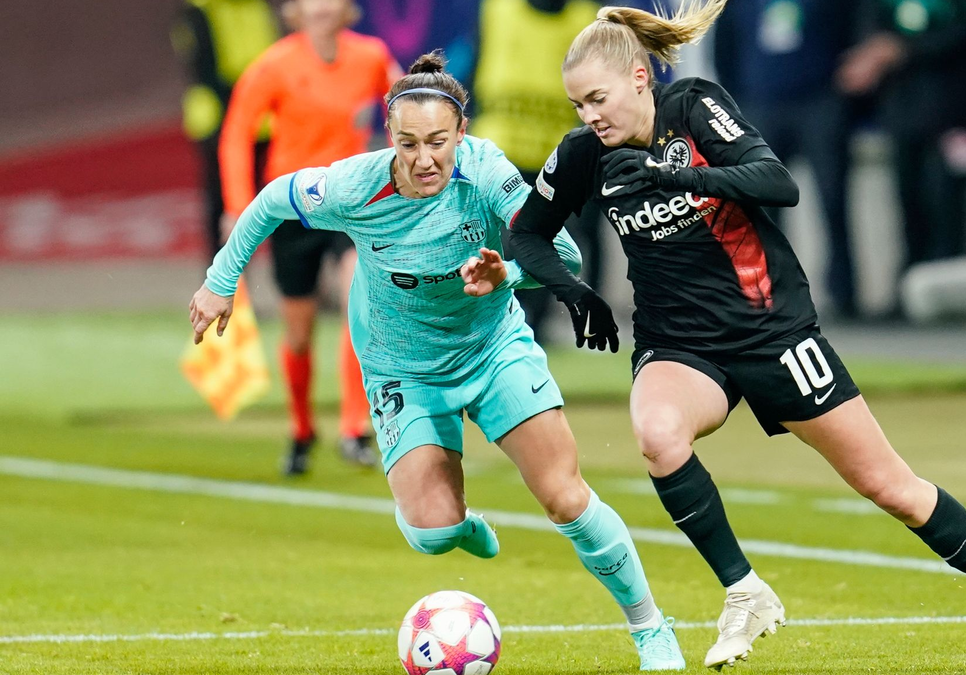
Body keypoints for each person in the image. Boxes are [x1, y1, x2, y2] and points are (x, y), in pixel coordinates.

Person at [505, 1, 966, 672]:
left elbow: (778, 182)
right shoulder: (586, 155)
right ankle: (744, 590)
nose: (588, 116)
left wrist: (682, 176)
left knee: (892, 486)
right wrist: (575, 292)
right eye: (578, 105)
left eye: (597, 99)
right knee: (657, 435)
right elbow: (526, 231)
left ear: (640, 77)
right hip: (681, 343)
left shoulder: (693, 107)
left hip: (771, 329)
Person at [189, 51, 686, 671]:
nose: (424, 159)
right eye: (408, 143)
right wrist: (220, 282)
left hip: (491, 350)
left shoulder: (486, 174)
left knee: (564, 496)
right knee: (432, 533)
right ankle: (460, 525)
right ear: (390, 137)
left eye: (438, 142)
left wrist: (506, 272)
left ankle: (651, 629)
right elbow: (270, 201)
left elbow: (563, 251)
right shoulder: (353, 185)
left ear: (462, 134)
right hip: (403, 369)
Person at [220, 0, 401, 474]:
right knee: (297, 331)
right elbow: (237, 132)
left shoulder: (372, 56)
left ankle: (355, 427)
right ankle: (301, 430)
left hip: (349, 203)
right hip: (292, 207)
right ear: (294, 11)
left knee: (358, 302)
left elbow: (407, 105)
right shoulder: (274, 64)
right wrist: (238, 206)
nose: (322, 7)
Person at [836, 0, 966, 280]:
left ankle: (948, 288)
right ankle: (910, 287)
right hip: (903, 110)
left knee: (947, 203)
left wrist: (904, 50)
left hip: (957, 111)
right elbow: (871, 24)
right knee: (908, 200)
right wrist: (874, 52)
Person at [470, 0, 608, 342]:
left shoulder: (586, 19)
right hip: (501, 157)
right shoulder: (498, 10)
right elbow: (470, 68)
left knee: (562, 248)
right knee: (495, 247)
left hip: (558, 159)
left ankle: (538, 327)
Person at [712, 0, 860, 318]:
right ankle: (771, 294)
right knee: (763, 210)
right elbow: (724, 50)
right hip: (762, 106)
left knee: (833, 200)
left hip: (819, 100)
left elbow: (849, 32)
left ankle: (844, 293)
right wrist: (739, 106)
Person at [170, 0, 279, 259]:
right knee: (225, 203)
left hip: (264, 119)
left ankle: (299, 283)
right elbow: (204, 69)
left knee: (278, 197)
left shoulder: (256, 6)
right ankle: (224, 282)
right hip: (219, 118)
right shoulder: (199, 9)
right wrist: (251, 103)